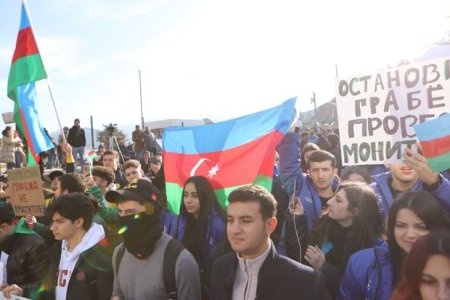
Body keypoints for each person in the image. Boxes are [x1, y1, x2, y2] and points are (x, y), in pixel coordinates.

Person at [210, 184, 330, 300]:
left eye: (246, 221)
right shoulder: (220, 268)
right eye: (230, 220)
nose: (235, 230)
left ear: (270, 225)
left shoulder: (304, 280)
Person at [338, 191, 450, 300]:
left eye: (420, 227)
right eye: (401, 226)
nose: (410, 235)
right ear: (391, 228)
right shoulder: (362, 264)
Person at [3, 193, 114, 299]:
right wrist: (22, 291)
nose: (52, 227)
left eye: (59, 222)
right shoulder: (57, 251)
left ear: (78, 222)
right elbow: (49, 287)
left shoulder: (102, 257)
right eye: (53, 221)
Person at [105, 179, 201, 300]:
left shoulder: (181, 261)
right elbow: (117, 294)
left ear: (150, 213)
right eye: (120, 211)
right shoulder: (119, 253)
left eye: (130, 212)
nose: (123, 218)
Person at [286, 181, 383, 298]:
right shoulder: (324, 226)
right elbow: (300, 258)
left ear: (354, 211)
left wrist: (324, 267)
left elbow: (352, 290)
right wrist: (298, 218)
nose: (329, 202)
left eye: (338, 200)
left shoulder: (368, 248)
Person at [171, 176, 225, 296]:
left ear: (205, 196)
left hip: (208, 287)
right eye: (186, 195)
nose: (188, 200)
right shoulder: (180, 220)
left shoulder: (218, 224)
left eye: (195, 196)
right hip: (184, 282)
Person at [279, 130, 339, 230]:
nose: (320, 175)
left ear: (334, 172)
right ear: (309, 172)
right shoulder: (300, 186)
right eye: (315, 170)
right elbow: (288, 165)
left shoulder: (343, 194)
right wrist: (291, 132)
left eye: (325, 170)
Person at [371, 148, 450, 220]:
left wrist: (436, 183)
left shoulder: (436, 187)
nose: (406, 162)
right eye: (399, 156)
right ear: (387, 162)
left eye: (412, 156)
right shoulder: (371, 192)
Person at [0, 203, 47, 299]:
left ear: (4, 227)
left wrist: (21, 290)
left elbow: (44, 285)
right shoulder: (5, 240)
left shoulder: (34, 244)